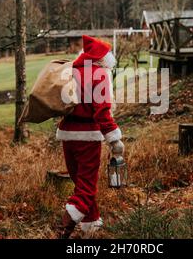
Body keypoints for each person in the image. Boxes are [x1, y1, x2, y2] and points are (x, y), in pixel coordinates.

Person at [56, 35, 124, 239]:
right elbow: (102, 112)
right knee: (85, 190)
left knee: (81, 183)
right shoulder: (99, 74)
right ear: (103, 59)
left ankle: (91, 226)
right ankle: (63, 229)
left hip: (68, 136)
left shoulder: (72, 71)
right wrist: (114, 139)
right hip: (87, 137)